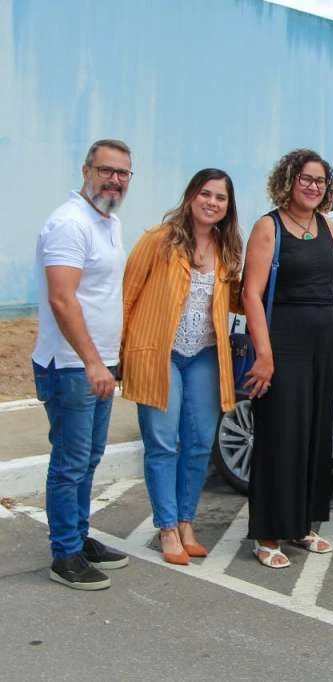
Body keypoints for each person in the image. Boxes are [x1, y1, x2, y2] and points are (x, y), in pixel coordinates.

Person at [120, 169, 244, 566]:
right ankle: (168, 527)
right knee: (163, 442)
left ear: (228, 206)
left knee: (199, 441)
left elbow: (239, 300)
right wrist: (119, 355)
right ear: (191, 196)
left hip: (205, 355)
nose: (212, 202)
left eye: (220, 197)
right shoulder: (158, 240)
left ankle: (187, 521)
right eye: (205, 194)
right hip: (160, 353)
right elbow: (127, 297)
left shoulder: (228, 248)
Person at [32, 139, 133, 590]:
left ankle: (78, 535)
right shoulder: (69, 224)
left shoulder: (108, 222)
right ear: (86, 170)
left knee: (89, 459)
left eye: (123, 173)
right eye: (107, 170)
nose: (115, 179)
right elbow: (61, 298)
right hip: (72, 365)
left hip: (98, 363)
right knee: (70, 462)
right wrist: (94, 362)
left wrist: (112, 359)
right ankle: (65, 555)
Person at [243, 149, 333, 568]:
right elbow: (251, 294)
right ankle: (267, 532)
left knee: (315, 433)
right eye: (306, 179)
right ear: (288, 180)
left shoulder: (327, 225)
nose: (313, 186)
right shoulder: (268, 226)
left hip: (324, 337)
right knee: (280, 434)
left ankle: (302, 524)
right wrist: (264, 354)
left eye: (320, 181)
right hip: (283, 339)